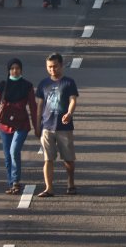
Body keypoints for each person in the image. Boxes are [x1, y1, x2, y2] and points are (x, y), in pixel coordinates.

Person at [0, 58, 40, 194]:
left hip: (21, 125)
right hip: (4, 126)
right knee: (7, 156)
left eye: (17, 68)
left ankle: (15, 181)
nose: (15, 71)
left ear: (21, 69)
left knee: (14, 151)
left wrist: (37, 126)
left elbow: (33, 107)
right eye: (12, 68)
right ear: (8, 70)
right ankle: (12, 184)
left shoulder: (27, 86)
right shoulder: (3, 85)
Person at [35, 53, 79, 196]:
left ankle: (70, 183)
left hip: (64, 127)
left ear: (61, 65)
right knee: (48, 159)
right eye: (49, 67)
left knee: (68, 159)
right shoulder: (43, 84)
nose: (52, 69)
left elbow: (73, 100)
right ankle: (49, 188)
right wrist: (37, 125)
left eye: (55, 66)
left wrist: (69, 113)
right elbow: (40, 106)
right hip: (47, 126)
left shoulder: (69, 82)